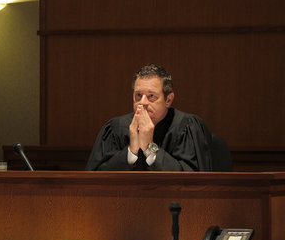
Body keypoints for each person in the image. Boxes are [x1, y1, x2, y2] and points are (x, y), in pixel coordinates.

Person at [85, 64, 213, 171]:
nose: (142, 102)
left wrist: (150, 147)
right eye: (138, 95)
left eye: (151, 96)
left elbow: (191, 181)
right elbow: (95, 180)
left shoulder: (187, 127)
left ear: (168, 100)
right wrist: (131, 151)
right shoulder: (115, 128)